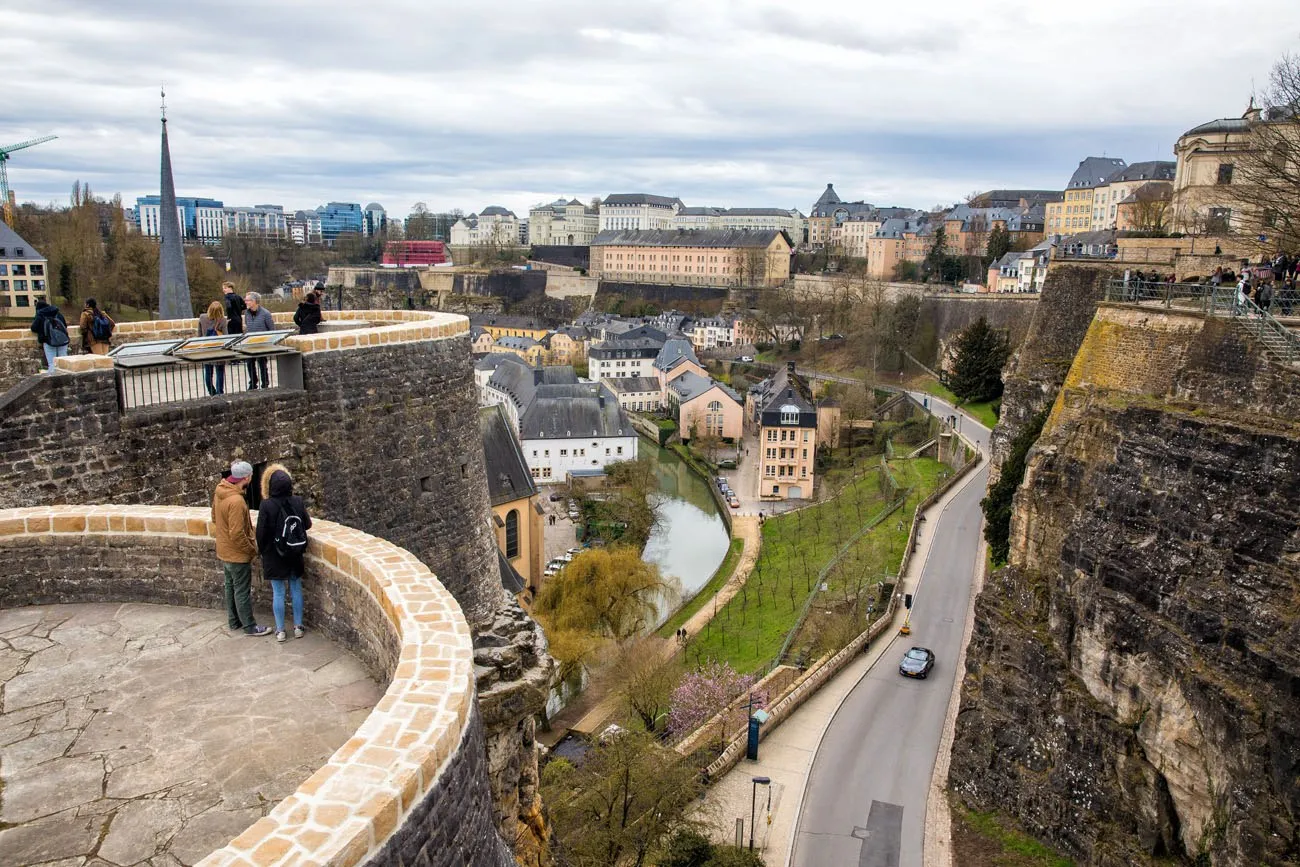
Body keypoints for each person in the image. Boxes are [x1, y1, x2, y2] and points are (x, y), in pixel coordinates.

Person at [212, 460, 273, 637]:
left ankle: (234, 621)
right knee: (241, 590)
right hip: (236, 554)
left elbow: (215, 518)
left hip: (224, 549)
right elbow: (237, 533)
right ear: (246, 477)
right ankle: (249, 626)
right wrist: (251, 549)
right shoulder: (237, 501)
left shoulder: (220, 491)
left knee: (230, 586)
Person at [256, 463, 312, 642]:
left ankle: (280, 631)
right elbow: (307, 524)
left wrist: (264, 551)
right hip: (294, 552)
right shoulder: (297, 501)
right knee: (296, 589)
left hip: (275, 554)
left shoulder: (266, 505)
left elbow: (261, 533)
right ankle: (298, 627)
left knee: (278, 593)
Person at [244, 292, 275, 389]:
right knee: (249, 363)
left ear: (254, 301)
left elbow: (271, 329)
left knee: (262, 363)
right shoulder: (247, 313)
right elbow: (247, 326)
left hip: (262, 343)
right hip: (250, 343)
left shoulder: (265, 313)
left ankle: (265, 384)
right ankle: (253, 383)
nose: (246, 302)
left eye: (248, 300)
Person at [30, 299, 70, 372]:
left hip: (49, 341)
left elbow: (34, 328)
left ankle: (54, 382)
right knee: (63, 362)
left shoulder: (40, 314)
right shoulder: (57, 313)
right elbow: (64, 325)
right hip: (62, 340)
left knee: (52, 363)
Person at [198, 300, 228, 395]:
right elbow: (226, 336)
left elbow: (199, 334)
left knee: (208, 372)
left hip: (206, 348)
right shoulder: (222, 320)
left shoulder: (202, 318)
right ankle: (220, 392)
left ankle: (211, 391)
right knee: (219, 372)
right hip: (218, 349)